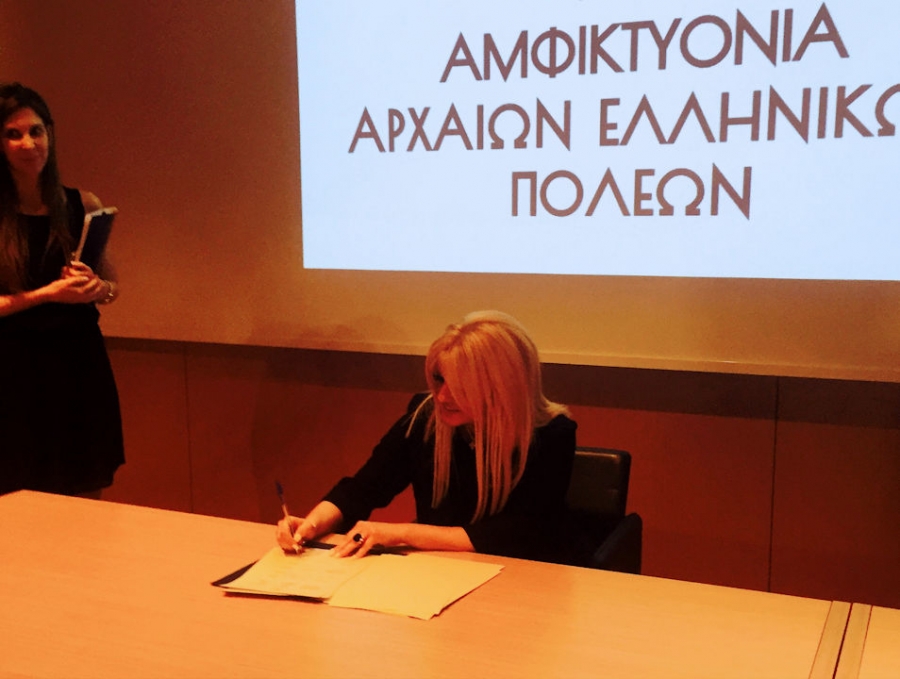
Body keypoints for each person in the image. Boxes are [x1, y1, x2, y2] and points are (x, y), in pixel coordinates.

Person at [276, 311, 578, 563]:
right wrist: (312, 524)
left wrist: (403, 533)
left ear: (501, 387)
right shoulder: (426, 417)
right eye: (439, 379)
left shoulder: (553, 434)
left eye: (460, 385)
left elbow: (518, 532)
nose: (442, 396)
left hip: (526, 575)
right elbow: (364, 488)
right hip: (440, 569)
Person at [0, 82, 124, 497]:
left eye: (36, 131)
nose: (28, 143)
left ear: (49, 134)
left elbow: (112, 287)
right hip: (14, 374)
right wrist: (48, 294)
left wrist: (96, 286)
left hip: (78, 368)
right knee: (18, 499)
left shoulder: (82, 204)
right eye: (13, 134)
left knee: (84, 493)